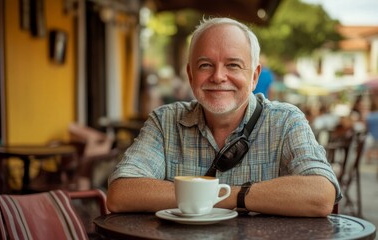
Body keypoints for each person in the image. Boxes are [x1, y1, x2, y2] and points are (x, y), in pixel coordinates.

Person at [107, 17, 341, 217]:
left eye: (233, 65)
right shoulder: (165, 121)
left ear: (254, 76)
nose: (218, 76)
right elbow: (121, 193)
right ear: (190, 75)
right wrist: (234, 197)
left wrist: (228, 196)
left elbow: (321, 195)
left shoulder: (285, 121)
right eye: (205, 65)